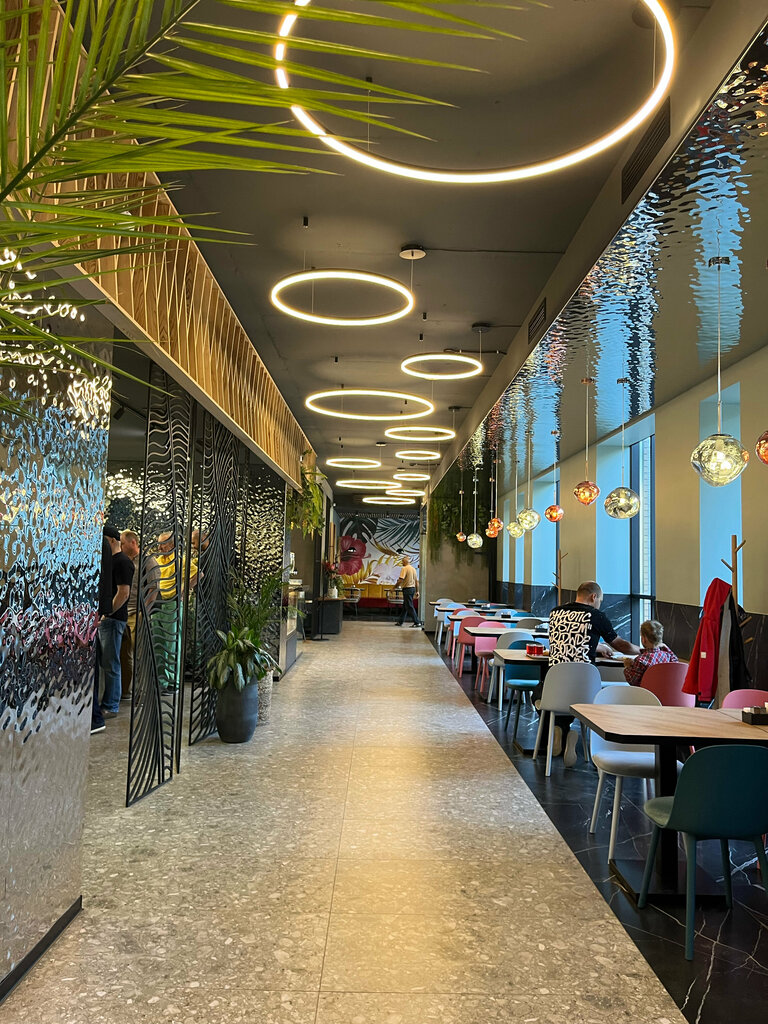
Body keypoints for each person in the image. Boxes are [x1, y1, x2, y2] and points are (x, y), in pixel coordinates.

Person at [538, 581, 641, 766]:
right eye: (600, 600)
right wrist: (643, 650)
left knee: (539, 694)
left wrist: (596, 646)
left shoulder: (555, 613)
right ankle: (568, 734)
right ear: (594, 597)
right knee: (578, 695)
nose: (599, 603)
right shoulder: (596, 616)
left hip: (554, 686)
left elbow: (568, 639)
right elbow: (620, 645)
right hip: (585, 688)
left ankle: (558, 731)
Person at [119, 530, 161, 701]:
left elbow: (154, 587)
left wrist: (144, 611)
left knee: (140, 654)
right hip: (122, 612)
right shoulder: (122, 560)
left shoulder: (147, 561)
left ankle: (143, 693)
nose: (120, 546)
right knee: (124, 654)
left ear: (133, 542)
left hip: (138, 612)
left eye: (123, 543)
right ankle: (125, 691)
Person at [98, 524, 134, 718]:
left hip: (113, 619)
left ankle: (111, 705)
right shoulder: (110, 560)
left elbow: (123, 592)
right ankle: (106, 702)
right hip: (107, 619)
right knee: (106, 662)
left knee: (111, 663)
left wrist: (108, 612)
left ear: (112, 540)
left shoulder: (122, 562)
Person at [90, 533, 114, 734]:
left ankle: (94, 717)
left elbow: (104, 579)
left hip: (89, 614)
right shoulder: (100, 542)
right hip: (91, 614)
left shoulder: (98, 541)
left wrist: (103, 610)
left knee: (98, 663)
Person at [154, 530, 181, 692]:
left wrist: (182, 591)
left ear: (171, 544)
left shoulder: (179, 560)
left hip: (172, 604)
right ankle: (161, 681)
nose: (160, 547)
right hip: (157, 603)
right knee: (158, 642)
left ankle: (173, 682)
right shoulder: (157, 561)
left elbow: (198, 574)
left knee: (171, 643)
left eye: (162, 544)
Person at [624, 619, 678, 686]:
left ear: (644, 639)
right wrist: (666, 647)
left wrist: (628, 667)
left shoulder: (640, 660)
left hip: (645, 692)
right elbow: (676, 662)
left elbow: (632, 681)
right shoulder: (667, 656)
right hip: (663, 690)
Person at [395, 555, 422, 628]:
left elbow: (400, 580)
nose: (402, 563)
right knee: (405, 606)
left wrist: (394, 587)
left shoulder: (404, 569)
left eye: (402, 562)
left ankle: (417, 622)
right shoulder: (413, 569)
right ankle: (400, 621)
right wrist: (417, 591)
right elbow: (416, 581)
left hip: (407, 589)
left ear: (404, 562)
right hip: (412, 589)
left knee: (409, 606)